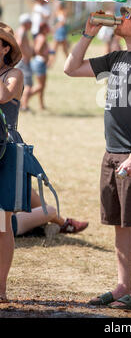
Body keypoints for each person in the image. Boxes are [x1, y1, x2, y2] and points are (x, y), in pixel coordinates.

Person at [64, 4, 131, 310]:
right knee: (121, 222)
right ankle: (122, 285)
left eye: (127, 16)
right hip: (113, 150)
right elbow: (70, 68)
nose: (119, 19)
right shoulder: (118, 57)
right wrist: (87, 35)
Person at [0, 22, 23, 302]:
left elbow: (4, 96)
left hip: (4, 151)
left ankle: (1, 288)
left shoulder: (14, 74)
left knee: (2, 222)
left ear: (6, 48)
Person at [11, 188, 89, 238]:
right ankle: (63, 224)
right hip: (6, 224)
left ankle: (47, 225)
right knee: (50, 211)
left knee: (24, 189)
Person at [29, 22, 50, 110]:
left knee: (41, 85)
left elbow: (34, 49)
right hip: (40, 62)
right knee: (41, 86)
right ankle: (25, 98)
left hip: (36, 61)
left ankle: (41, 105)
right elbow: (37, 49)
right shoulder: (42, 37)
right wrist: (44, 57)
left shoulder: (37, 36)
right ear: (44, 28)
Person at [15, 13, 34, 111]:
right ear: (26, 23)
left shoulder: (21, 30)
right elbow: (19, 43)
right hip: (24, 62)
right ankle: (24, 106)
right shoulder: (22, 31)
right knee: (28, 85)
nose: (31, 24)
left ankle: (22, 105)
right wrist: (25, 55)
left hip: (22, 61)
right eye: (30, 22)